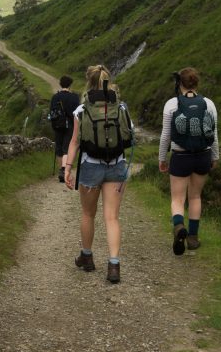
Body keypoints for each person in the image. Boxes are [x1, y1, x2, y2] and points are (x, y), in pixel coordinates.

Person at [64, 65, 133, 284]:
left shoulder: (82, 110)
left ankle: (87, 257)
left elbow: (74, 141)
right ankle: (114, 265)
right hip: (116, 164)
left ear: (88, 81)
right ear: (108, 80)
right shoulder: (120, 107)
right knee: (111, 217)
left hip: (91, 166)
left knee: (87, 213)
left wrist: (67, 167)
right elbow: (129, 134)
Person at [159, 67, 219, 255]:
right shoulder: (208, 103)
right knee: (195, 197)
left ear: (180, 83)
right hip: (202, 154)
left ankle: (178, 226)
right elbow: (214, 133)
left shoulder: (171, 104)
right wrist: (215, 156)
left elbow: (166, 136)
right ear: (196, 82)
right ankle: (193, 238)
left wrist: (162, 158)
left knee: (178, 198)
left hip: (180, 156)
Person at [49, 76, 81, 182]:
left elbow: (51, 111)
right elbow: (78, 113)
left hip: (57, 124)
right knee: (67, 147)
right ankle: (64, 170)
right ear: (70, 85)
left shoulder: (55, 97)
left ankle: (61, 170)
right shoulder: (75, 97)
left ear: (60, 84)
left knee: (58, 147)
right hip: (70, 125)